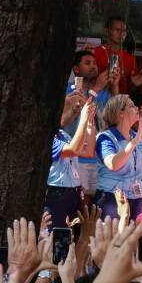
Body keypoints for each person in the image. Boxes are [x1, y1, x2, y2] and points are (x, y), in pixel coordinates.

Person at [95, 94, 142, 220]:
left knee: (132, 239)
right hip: (112, 197)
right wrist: (134, 141)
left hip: (136, 197)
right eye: (132, 106)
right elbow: (113, 164)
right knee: (113, 238)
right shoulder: (105, 137)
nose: (137, 108)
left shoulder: (135, 136)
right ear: (120, 113)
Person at [66, 50, 116, 200]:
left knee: (94, 204)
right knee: (77, 202)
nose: (93, 67)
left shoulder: (104, 92)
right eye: (87, 63)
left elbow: (116, 116)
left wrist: (115, 85)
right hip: (76, 158)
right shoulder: (69, 90)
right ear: (76, 69)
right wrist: (97, 89)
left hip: (99, 159)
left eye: (95, 63)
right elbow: (78, 110)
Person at [44, 95, 97, 228]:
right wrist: (83, 119)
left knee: (76, 238)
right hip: (56, 194)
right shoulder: (47, 137)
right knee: (56, 238)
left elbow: (89, 151)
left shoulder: (63, 135)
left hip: (74, 192)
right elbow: (73, 149)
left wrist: (90, 123)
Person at [92, 16, 142, 95]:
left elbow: (130, 90)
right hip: (97, 98)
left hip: (121, 101)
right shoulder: (95, 52)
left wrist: (136, 84)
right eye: (117, 30)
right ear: (106, 31)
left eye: (124, 31)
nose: (121, 34)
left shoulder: (131, 59)